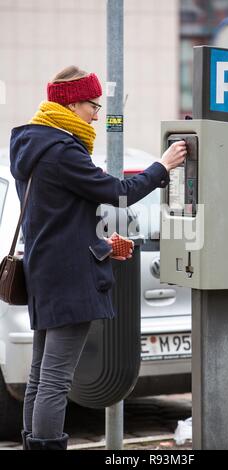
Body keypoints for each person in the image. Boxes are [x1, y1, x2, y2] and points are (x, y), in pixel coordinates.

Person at [9, 65, 187, 450]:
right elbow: (118, 191)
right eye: (93, 105)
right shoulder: (62, 151)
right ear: (72, 103)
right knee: (55, 380)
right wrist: (163, 166)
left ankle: (33, 445)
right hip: (70, 280)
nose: (97, 113)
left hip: (45, 270)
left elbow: (58, 218)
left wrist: (102, 244)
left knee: (41, 376)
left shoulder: (33, 146)